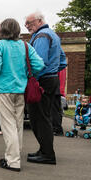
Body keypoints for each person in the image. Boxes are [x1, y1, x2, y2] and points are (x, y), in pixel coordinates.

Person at [0, 18, 45, 172]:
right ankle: (15, 154)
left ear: (2, 30)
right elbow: (39, 64)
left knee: (8, 125)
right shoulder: (25, 45)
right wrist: (25, 74)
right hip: (20, 88)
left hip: (3, 88)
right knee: (17, 124)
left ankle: (13, 160)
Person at [25, 11, 67, 165]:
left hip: (42, 81)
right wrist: (53, 69)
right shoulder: (53, 35)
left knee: (39, 118)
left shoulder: (41, 36)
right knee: (44, 117)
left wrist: (32, 79)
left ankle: (47, 154)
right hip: (51, 79)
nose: (26, 26)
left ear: (39, 21)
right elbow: (63, 61)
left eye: (29, 23)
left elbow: (38, 63)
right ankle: (44, 149)